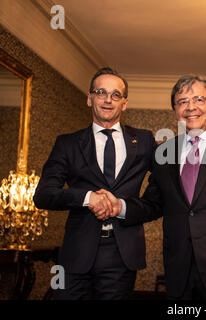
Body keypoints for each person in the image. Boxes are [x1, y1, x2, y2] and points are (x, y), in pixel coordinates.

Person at [97, 74, 206, 300]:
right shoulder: (164, 153)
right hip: (179, 273)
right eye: (182, 102)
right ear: (175, 110)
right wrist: (119, 207)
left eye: (198, 99)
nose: (191, 107)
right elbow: (153, 204)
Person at [33, 67, 155, 300]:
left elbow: (166, 186)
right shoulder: (67, 143)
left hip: (122, 255)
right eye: (101, 92)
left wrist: (125, 207)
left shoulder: (145, 141)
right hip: (76, 253)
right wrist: (88, 198)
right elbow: (44, 195)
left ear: (125, 103)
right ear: (89, 99)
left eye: (115, 94)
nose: (108, 100)